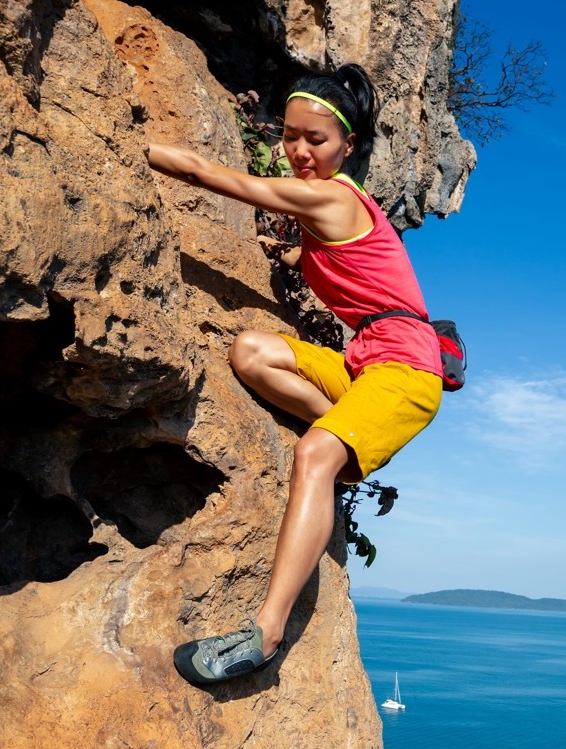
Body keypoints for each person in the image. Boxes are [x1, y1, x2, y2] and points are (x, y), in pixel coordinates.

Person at [147, 64, 443, 685]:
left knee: (312, 457)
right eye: (290, 136)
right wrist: (282, 254)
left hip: (407, 371)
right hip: (362, 368)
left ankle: (266, 633)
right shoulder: (327, 213)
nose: (300, 151)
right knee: (252, 352)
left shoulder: (333, 196)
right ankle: (347, 439)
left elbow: (211, 176)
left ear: (347, 147)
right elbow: (337, 262)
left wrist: (133, 145)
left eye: (317, 140)